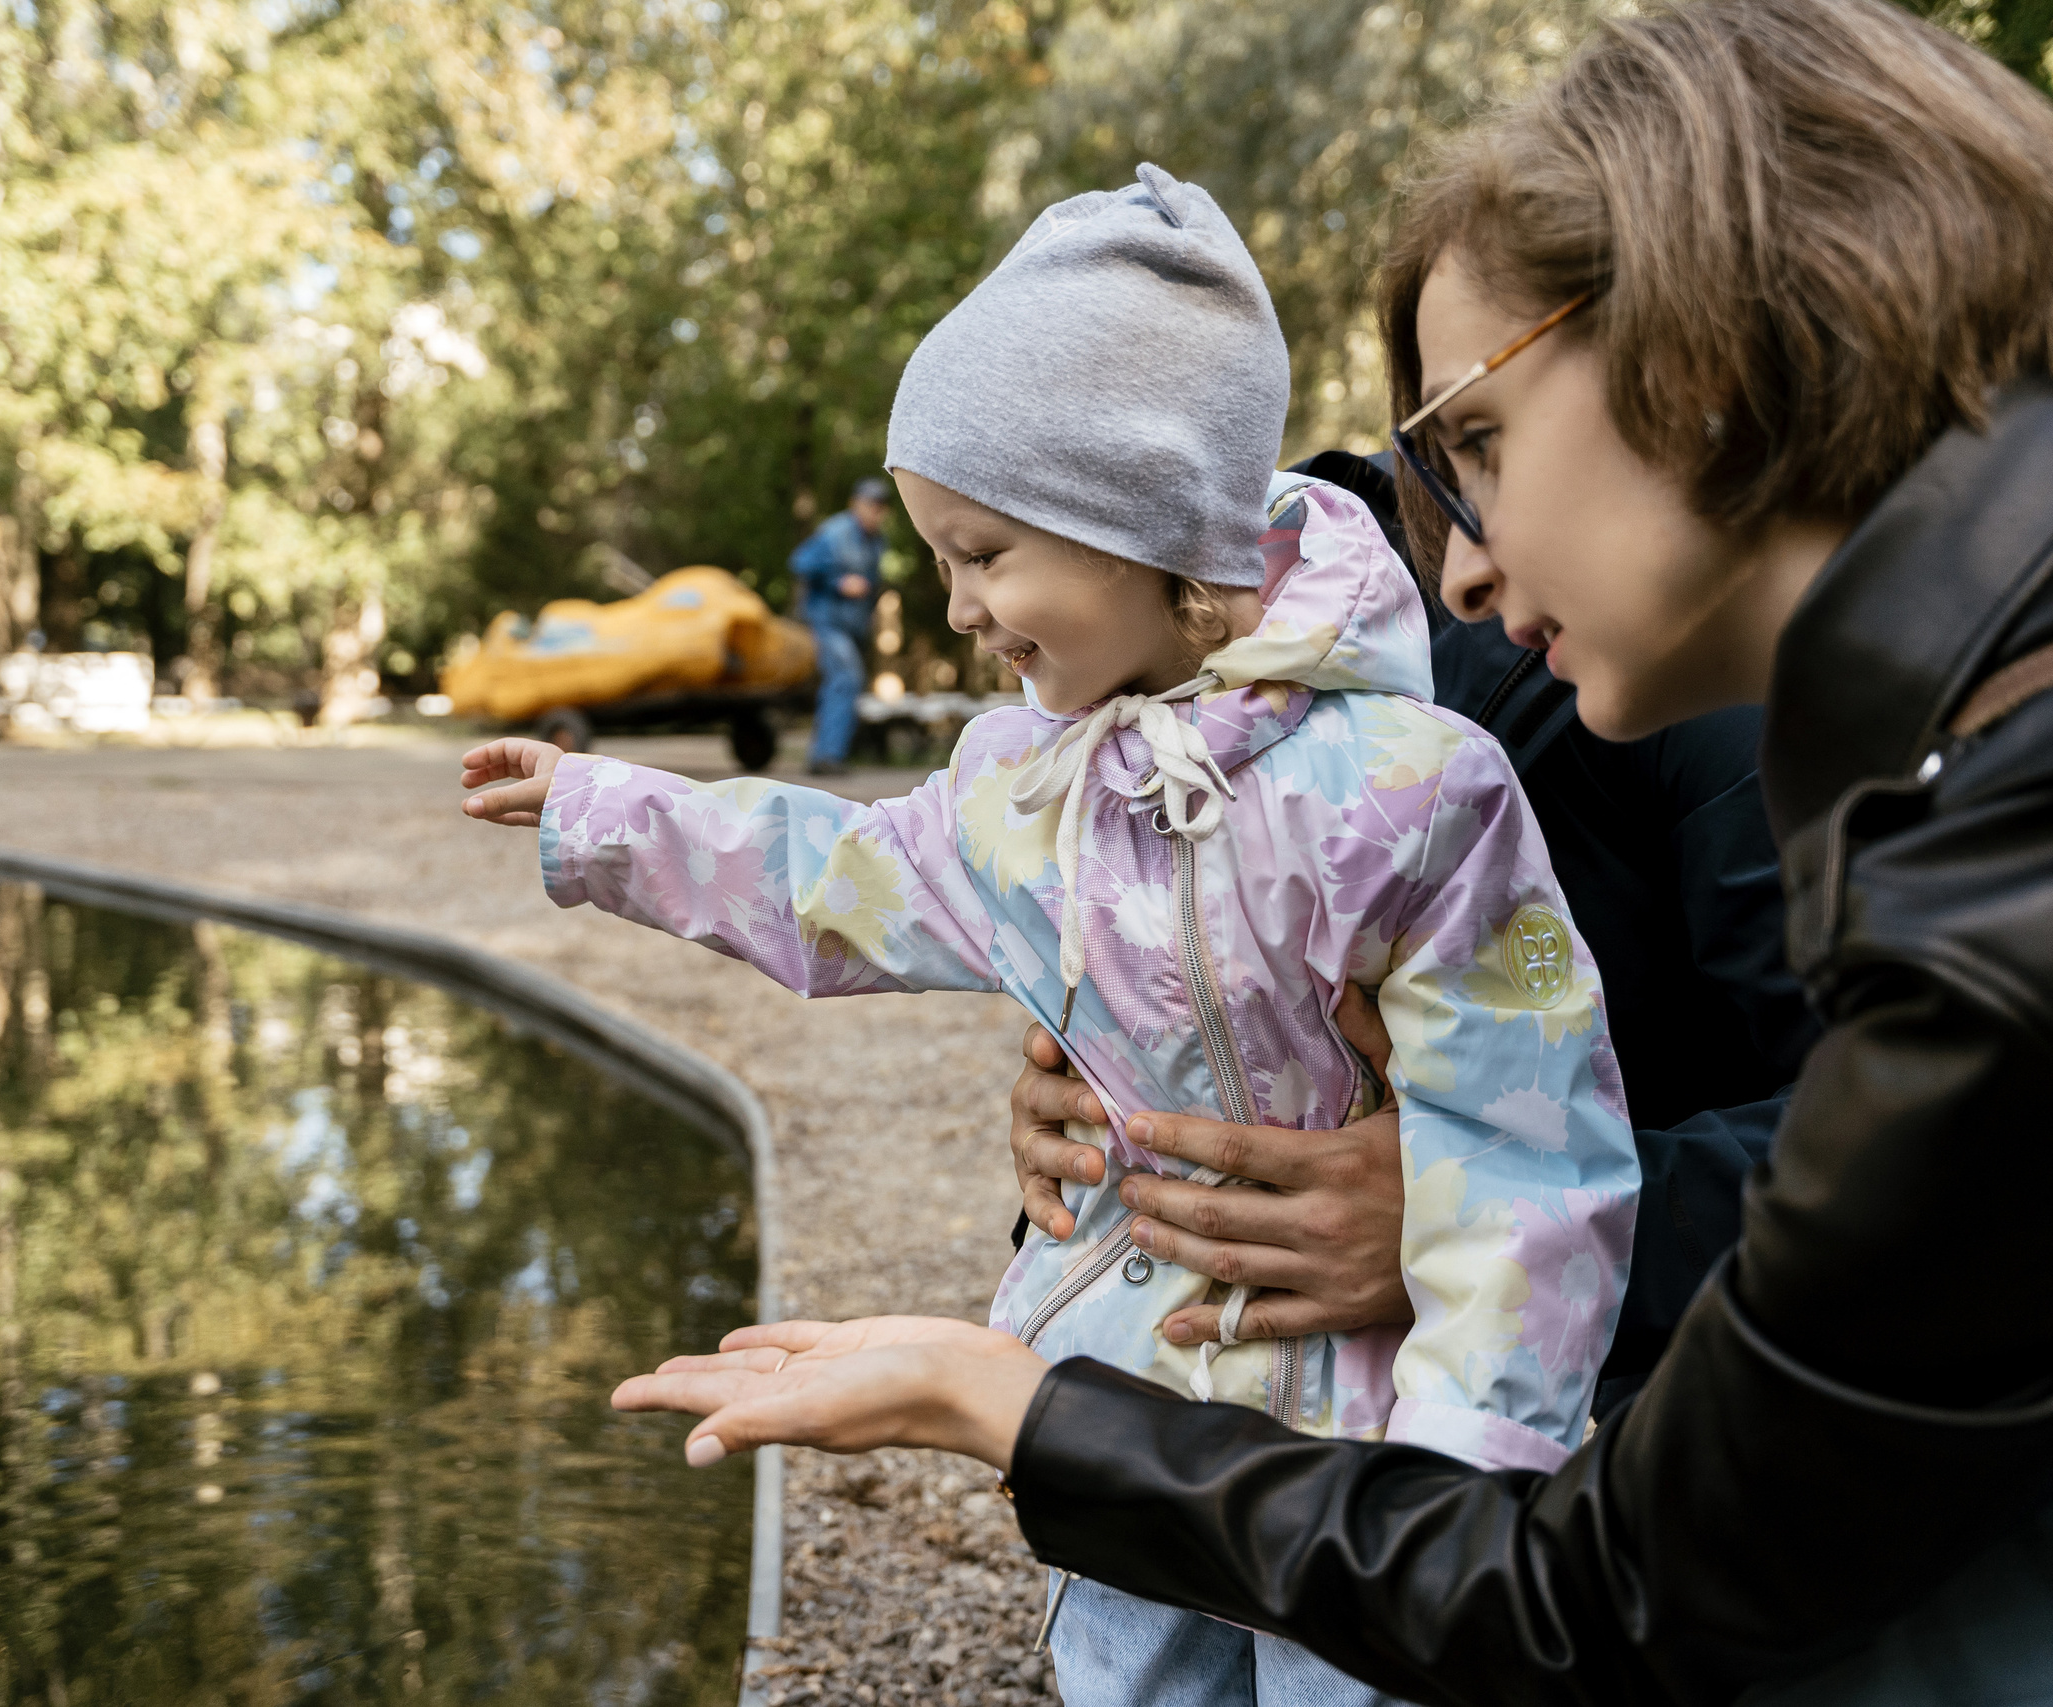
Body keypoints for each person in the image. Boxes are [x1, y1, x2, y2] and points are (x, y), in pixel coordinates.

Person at [610, 1, 2053, 1698]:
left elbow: (1595, 1604)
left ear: (1706, 351)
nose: (1448, 565)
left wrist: (1010, 1406)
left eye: (1471, 442)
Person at [462, 164, 1639, 1707]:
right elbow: (843, 875)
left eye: (983, 553)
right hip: (1130, 1380)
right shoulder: (1028, 790)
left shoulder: (1410, 792)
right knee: (1127, 1674)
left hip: (1370, 1416)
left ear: (1144, 524)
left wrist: (1479, 1461)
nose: (955, 606)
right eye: (942, 555)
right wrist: (608, 815)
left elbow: (1529, 1142)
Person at [1006, 447, 1813, 1414]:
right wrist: (1096, 1123)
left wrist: (1482, 1226)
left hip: (1653, 1419)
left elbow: (1949, 1139)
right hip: (1209, 1417)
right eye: (1446, 433)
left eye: (1484, 428)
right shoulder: (1219, 597)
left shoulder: (1742, 667)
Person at [790, 476, 891, 774]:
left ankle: (827, 753)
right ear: (855, 505)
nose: (876, 511)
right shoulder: (834, 532)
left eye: (881, 506)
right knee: (847, 677)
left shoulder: (877, 541)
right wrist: (838, 582)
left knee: (843, 682)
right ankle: (827, 757)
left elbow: (872, 584)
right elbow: (799, 562)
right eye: (870, 504)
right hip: (826, 622)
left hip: (853, 627)